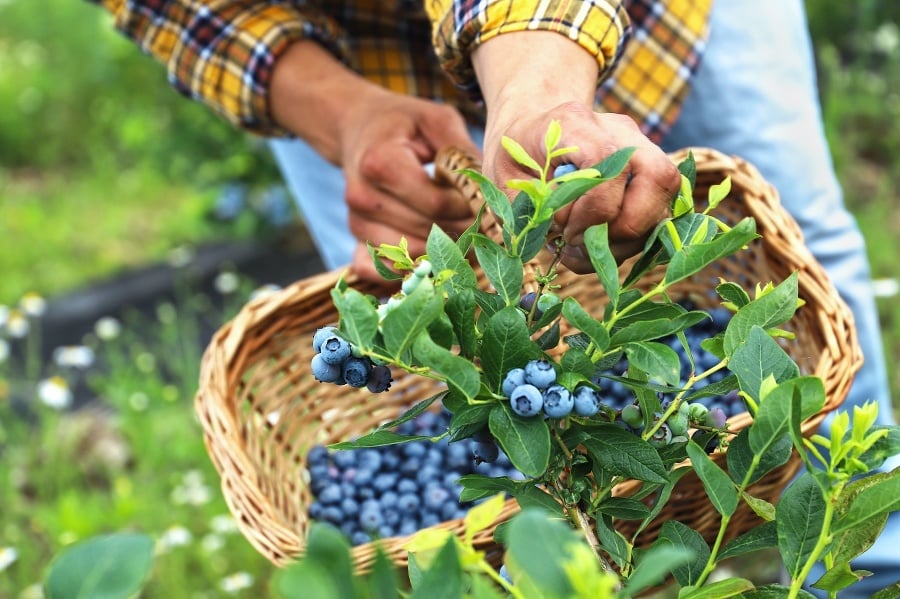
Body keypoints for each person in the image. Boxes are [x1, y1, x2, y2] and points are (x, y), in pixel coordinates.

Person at [89, 0, 897, 594]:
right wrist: (348, 115)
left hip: (631, 18)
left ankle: (877, 562)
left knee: (793, 246)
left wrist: (538, 99)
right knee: (426, 320)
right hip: (341, 38)